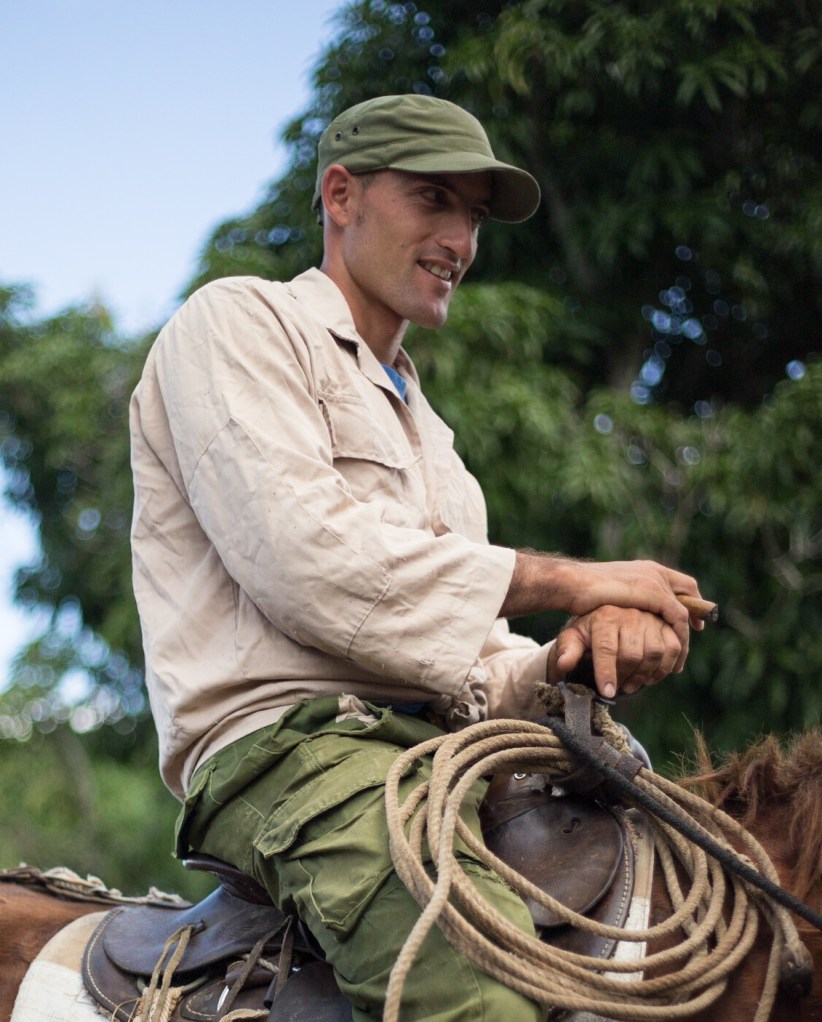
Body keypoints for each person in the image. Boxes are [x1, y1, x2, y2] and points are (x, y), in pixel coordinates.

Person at [129, 94, 704, 1021]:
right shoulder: (235, 325)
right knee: (482, 994)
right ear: (342, 195)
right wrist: (578, 580)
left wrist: (570, 659)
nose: (459, 240)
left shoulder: (433, 440)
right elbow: (306, 559)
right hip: (290, 755)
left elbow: (471, 661)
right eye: (433, 200)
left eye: (473, 216)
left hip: (440, 758)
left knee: (688, 914)